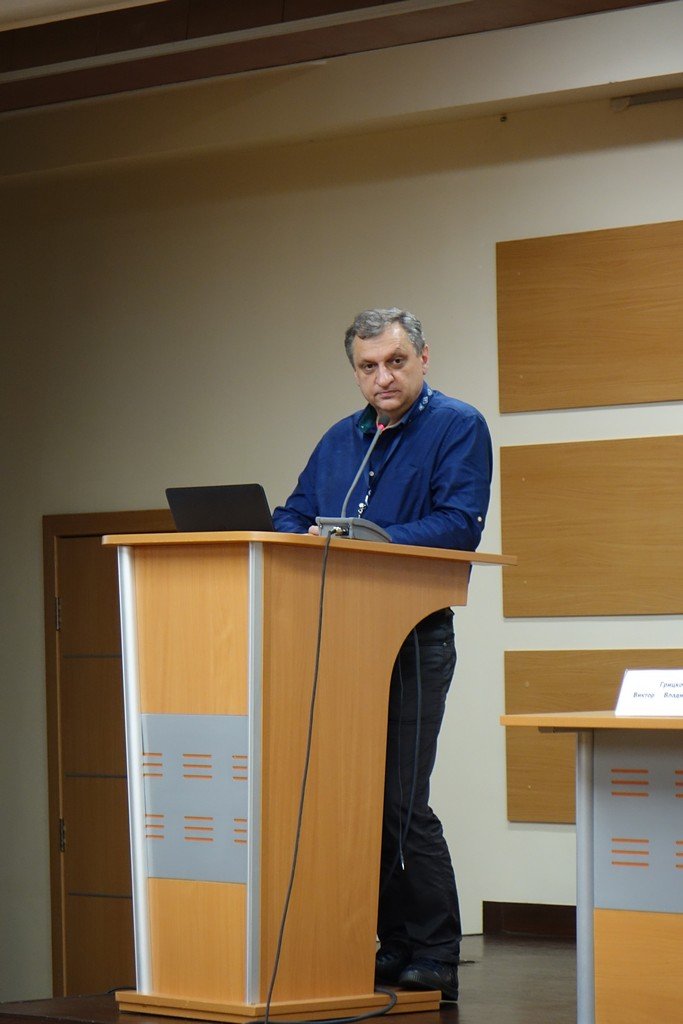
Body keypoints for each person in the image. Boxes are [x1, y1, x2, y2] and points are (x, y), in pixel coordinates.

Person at [272, 308, 492, 1002]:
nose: (382, 378)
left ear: (423, 358)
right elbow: (291, 511)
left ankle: (435, 949)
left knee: (401, 799)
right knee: (358, 797)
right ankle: (391, 941)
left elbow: (457, 524)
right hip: (342, 636)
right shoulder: (342, 438)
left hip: (413, 633)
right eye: (368, 367)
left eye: (395, 362)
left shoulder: (457, 425)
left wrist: (370, 539)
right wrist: (296, 536)